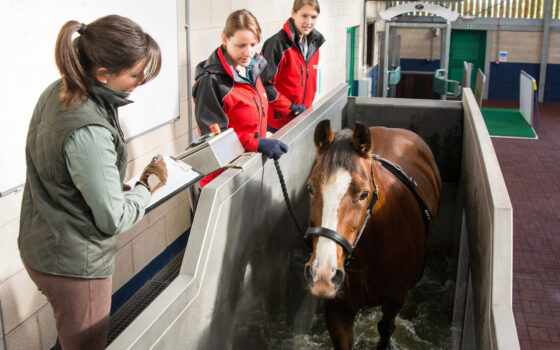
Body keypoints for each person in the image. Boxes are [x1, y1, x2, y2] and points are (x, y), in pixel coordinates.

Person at [18, 15, 168, 350]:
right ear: (102, 74)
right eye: (133, 74)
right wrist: (146, 186)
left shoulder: (59, 91)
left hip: (45, 244)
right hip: (75, 265)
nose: (139, 82)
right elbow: (112, 218)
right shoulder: (89, 130)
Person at [192, 9, 288, 187]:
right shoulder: (210, 82)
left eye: (253, 44)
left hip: (247, 167)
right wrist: (256, 143)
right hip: (222, 179)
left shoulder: (252, 69)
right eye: (241, 45)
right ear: (225, 39)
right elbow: (215, 141)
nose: (248, 52)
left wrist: (263, 134)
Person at [261, 0, 325, 133]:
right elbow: (264, 85)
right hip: (278, 124)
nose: (308, 22)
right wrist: (290, 108)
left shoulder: (314, 44)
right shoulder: (276, 45)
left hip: (303, 118)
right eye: (304, 16)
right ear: (293, 13)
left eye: (313, 17)